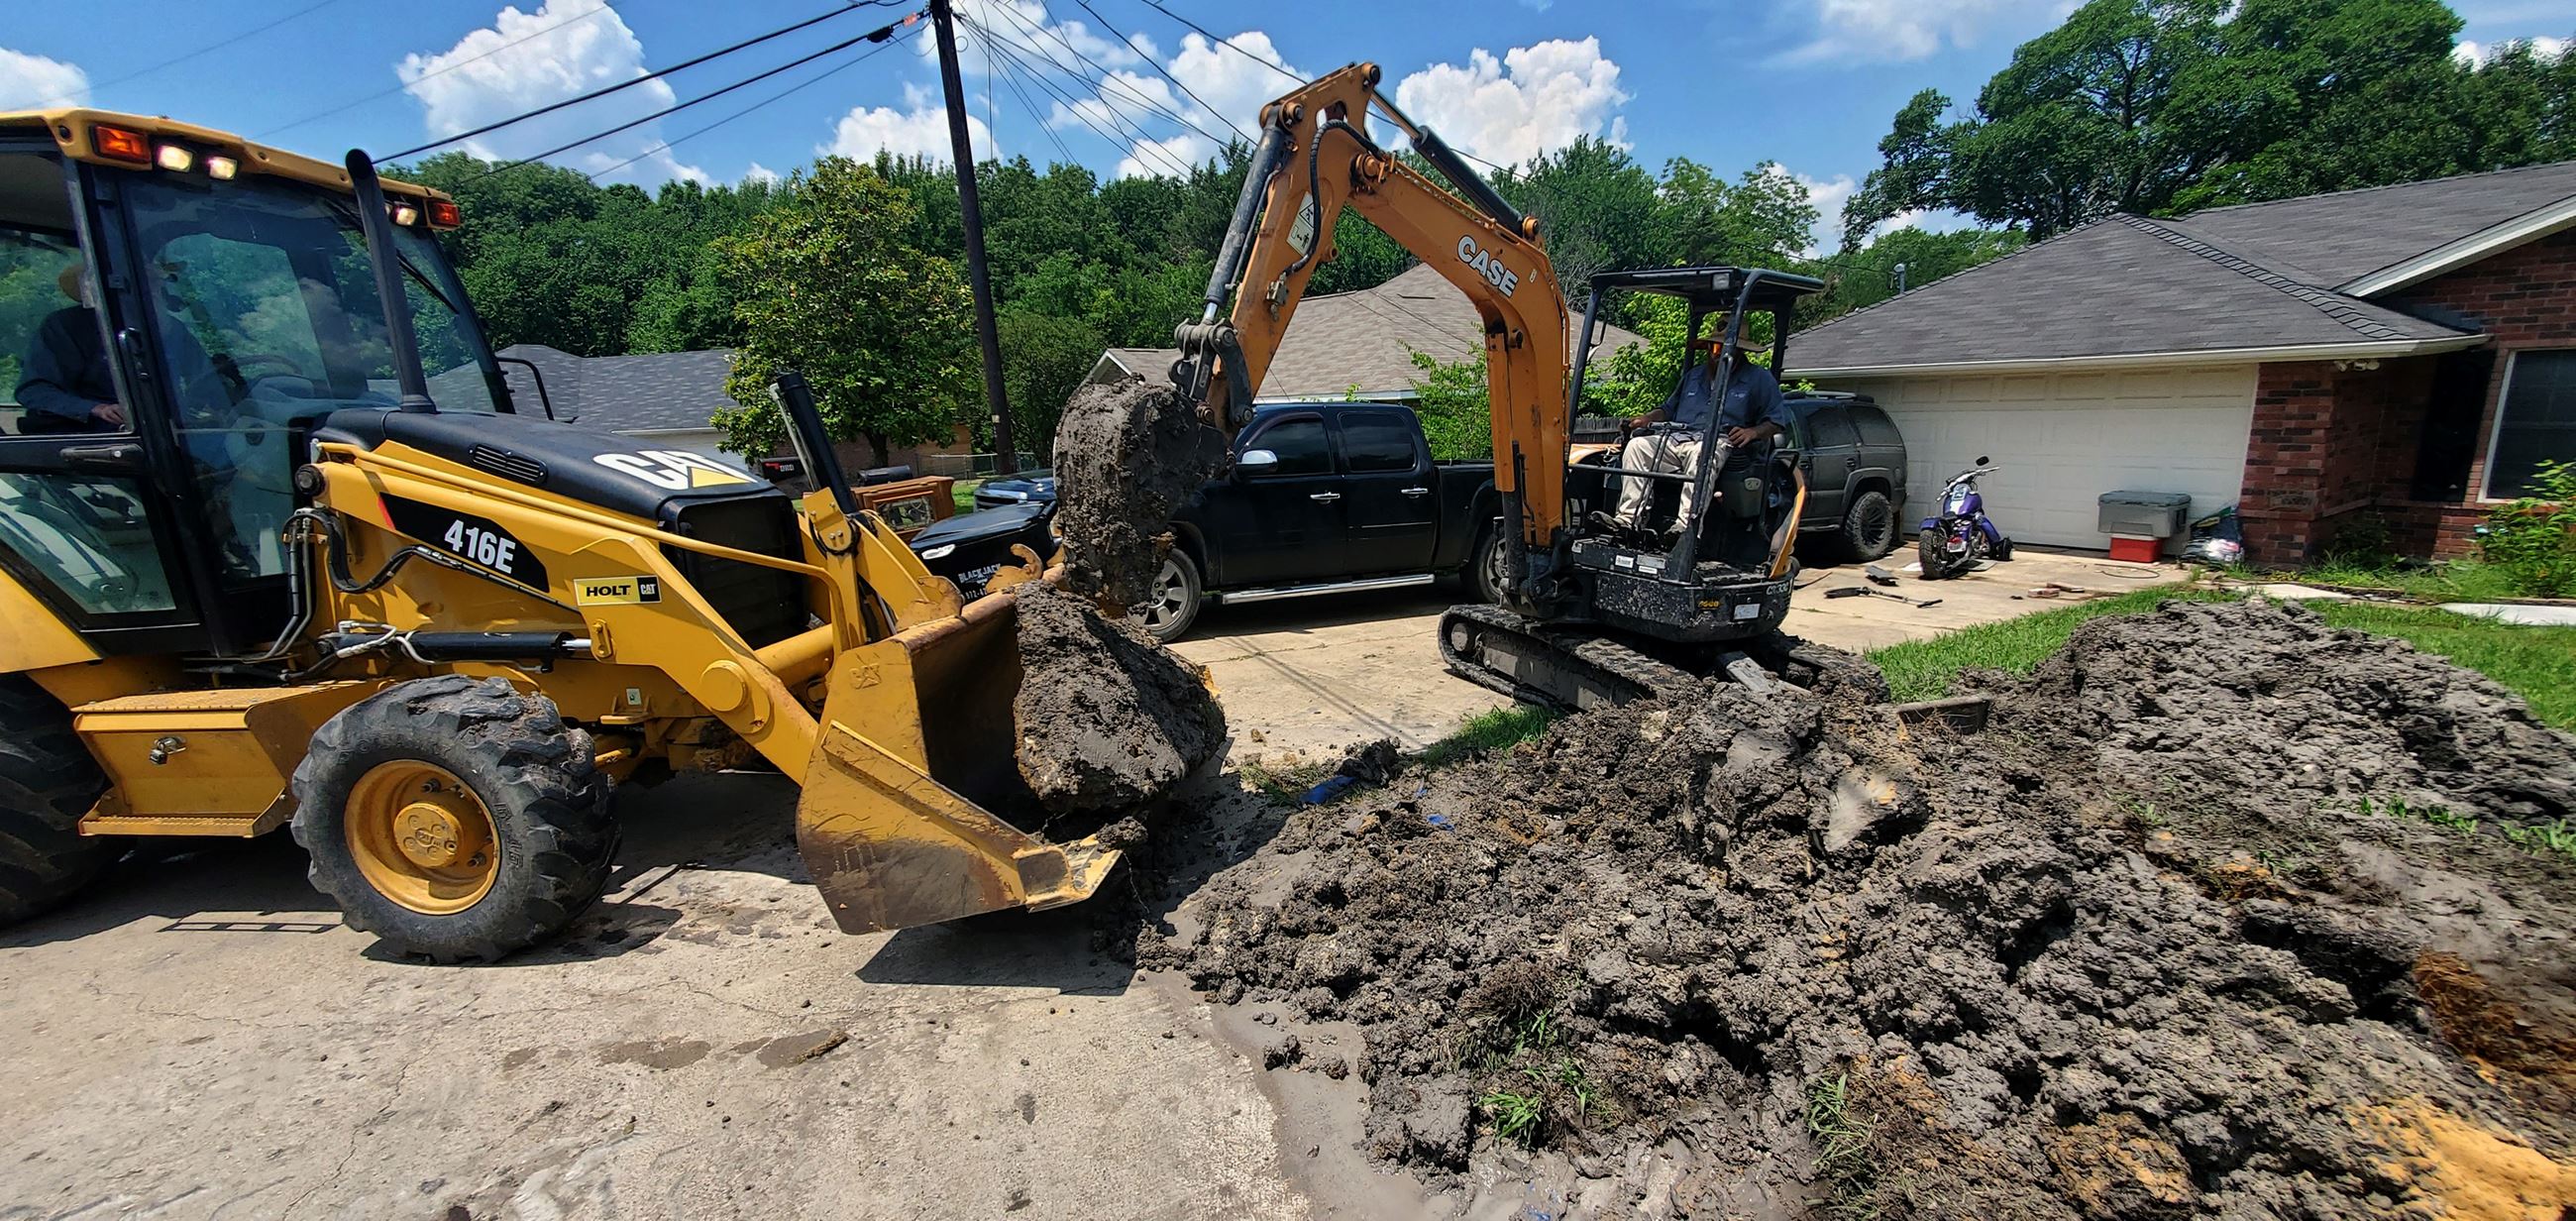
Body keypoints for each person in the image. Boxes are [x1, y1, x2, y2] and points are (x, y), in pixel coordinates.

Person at [1604, 343, 1791, 536]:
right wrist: (1647, 419)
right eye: (1712, 347)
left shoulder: (1759, 378)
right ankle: (1628, 521)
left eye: (1721, 348)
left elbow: (1776, 421)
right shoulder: (1693, 376)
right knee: (1638, 446)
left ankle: (1686, 529)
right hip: (1677, 438)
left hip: (1721, 442)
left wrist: (1752, 432)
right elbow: (1668, 409)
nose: (1714, 352)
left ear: (1738, 350)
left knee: (1702, 452)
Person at [14, 265, 125, 434]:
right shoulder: (65, 326)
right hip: (94, 438)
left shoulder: (166, 330)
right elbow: (34, 391)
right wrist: (98, 409)